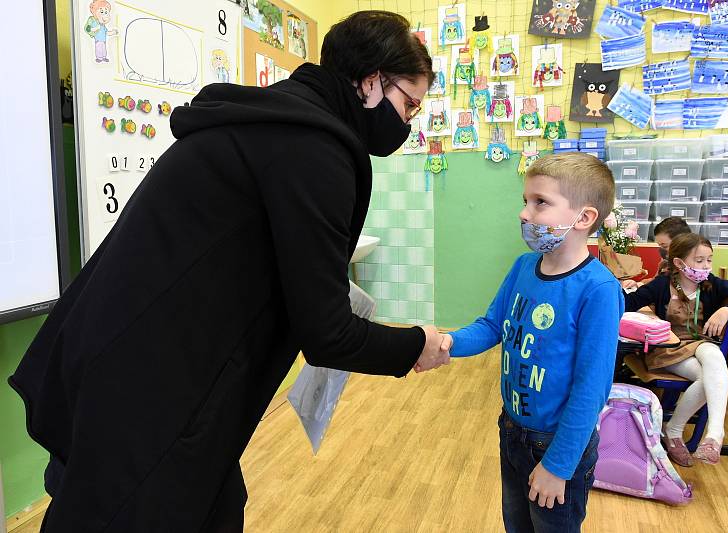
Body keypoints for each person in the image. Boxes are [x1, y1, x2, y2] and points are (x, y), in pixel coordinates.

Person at [9, 11, 449, 532]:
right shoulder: (314, 150)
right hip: (147, 386)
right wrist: (413, 345)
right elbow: (327, 334)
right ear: (372, 81)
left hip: (130, 359)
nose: (408, 122)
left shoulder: (274, 123)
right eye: (408, 105)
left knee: (213, 504)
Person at [431, 153, 624, 532]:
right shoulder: (523, 267)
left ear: (584, 218)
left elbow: (591, 390)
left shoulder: (599, 290)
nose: (524, 213)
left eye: (540, 203)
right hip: (512, 432)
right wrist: (446, 342)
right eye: (525, 201)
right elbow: (491, 326)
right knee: (516, 525)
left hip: (557, 445)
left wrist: (558, 465)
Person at [623, 233, 728, 466]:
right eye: (699, 261)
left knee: (713, 357)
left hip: (700, 344)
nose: (706, 266)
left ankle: (711, 435)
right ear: (679, 263)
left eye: (709, 260)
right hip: (667, 348)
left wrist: (727, 311)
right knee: (712, 374)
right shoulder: (661, 284)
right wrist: (628, 287)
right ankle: (677, 431)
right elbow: (625, 304)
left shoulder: (714, 285)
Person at [622, 216, 691, 290]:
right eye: (659, 245)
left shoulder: (693, 268)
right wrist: (638, 284)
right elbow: (655, 280)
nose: (661, 250)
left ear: (682, 243)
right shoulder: (665, 262)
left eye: (664, 246)